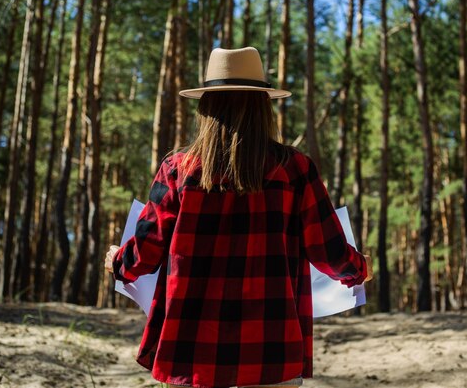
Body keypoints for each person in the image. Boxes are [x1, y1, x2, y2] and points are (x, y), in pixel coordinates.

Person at [104, 47, 373, 388]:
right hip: (271, 346)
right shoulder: (294, 170)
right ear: (263, 107)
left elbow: (146, 249)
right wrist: (359, 269)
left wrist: (118, 263)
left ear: (206, 108)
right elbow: (328, 250)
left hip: (191, 347)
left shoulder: (178, 171)